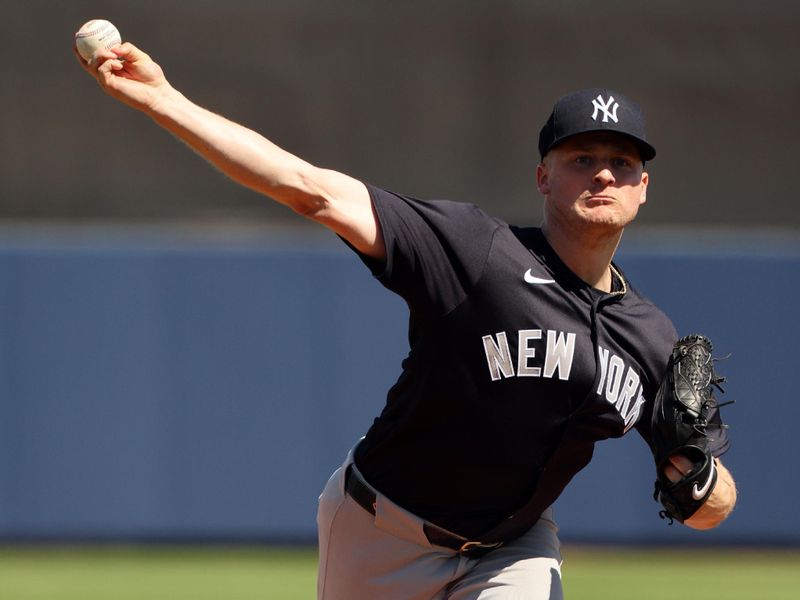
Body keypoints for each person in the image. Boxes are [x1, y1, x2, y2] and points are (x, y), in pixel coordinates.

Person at [75, 40, 737, 600]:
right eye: (581, 159)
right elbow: (312, 189)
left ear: (643, 187)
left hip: (513, 550)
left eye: (622, 163)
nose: (603, 175)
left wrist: (699, 478)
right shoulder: (477, 250)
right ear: (543, 176)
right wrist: (165, 99)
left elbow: (713, 506)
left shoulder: (651, 337)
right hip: (380, 530)